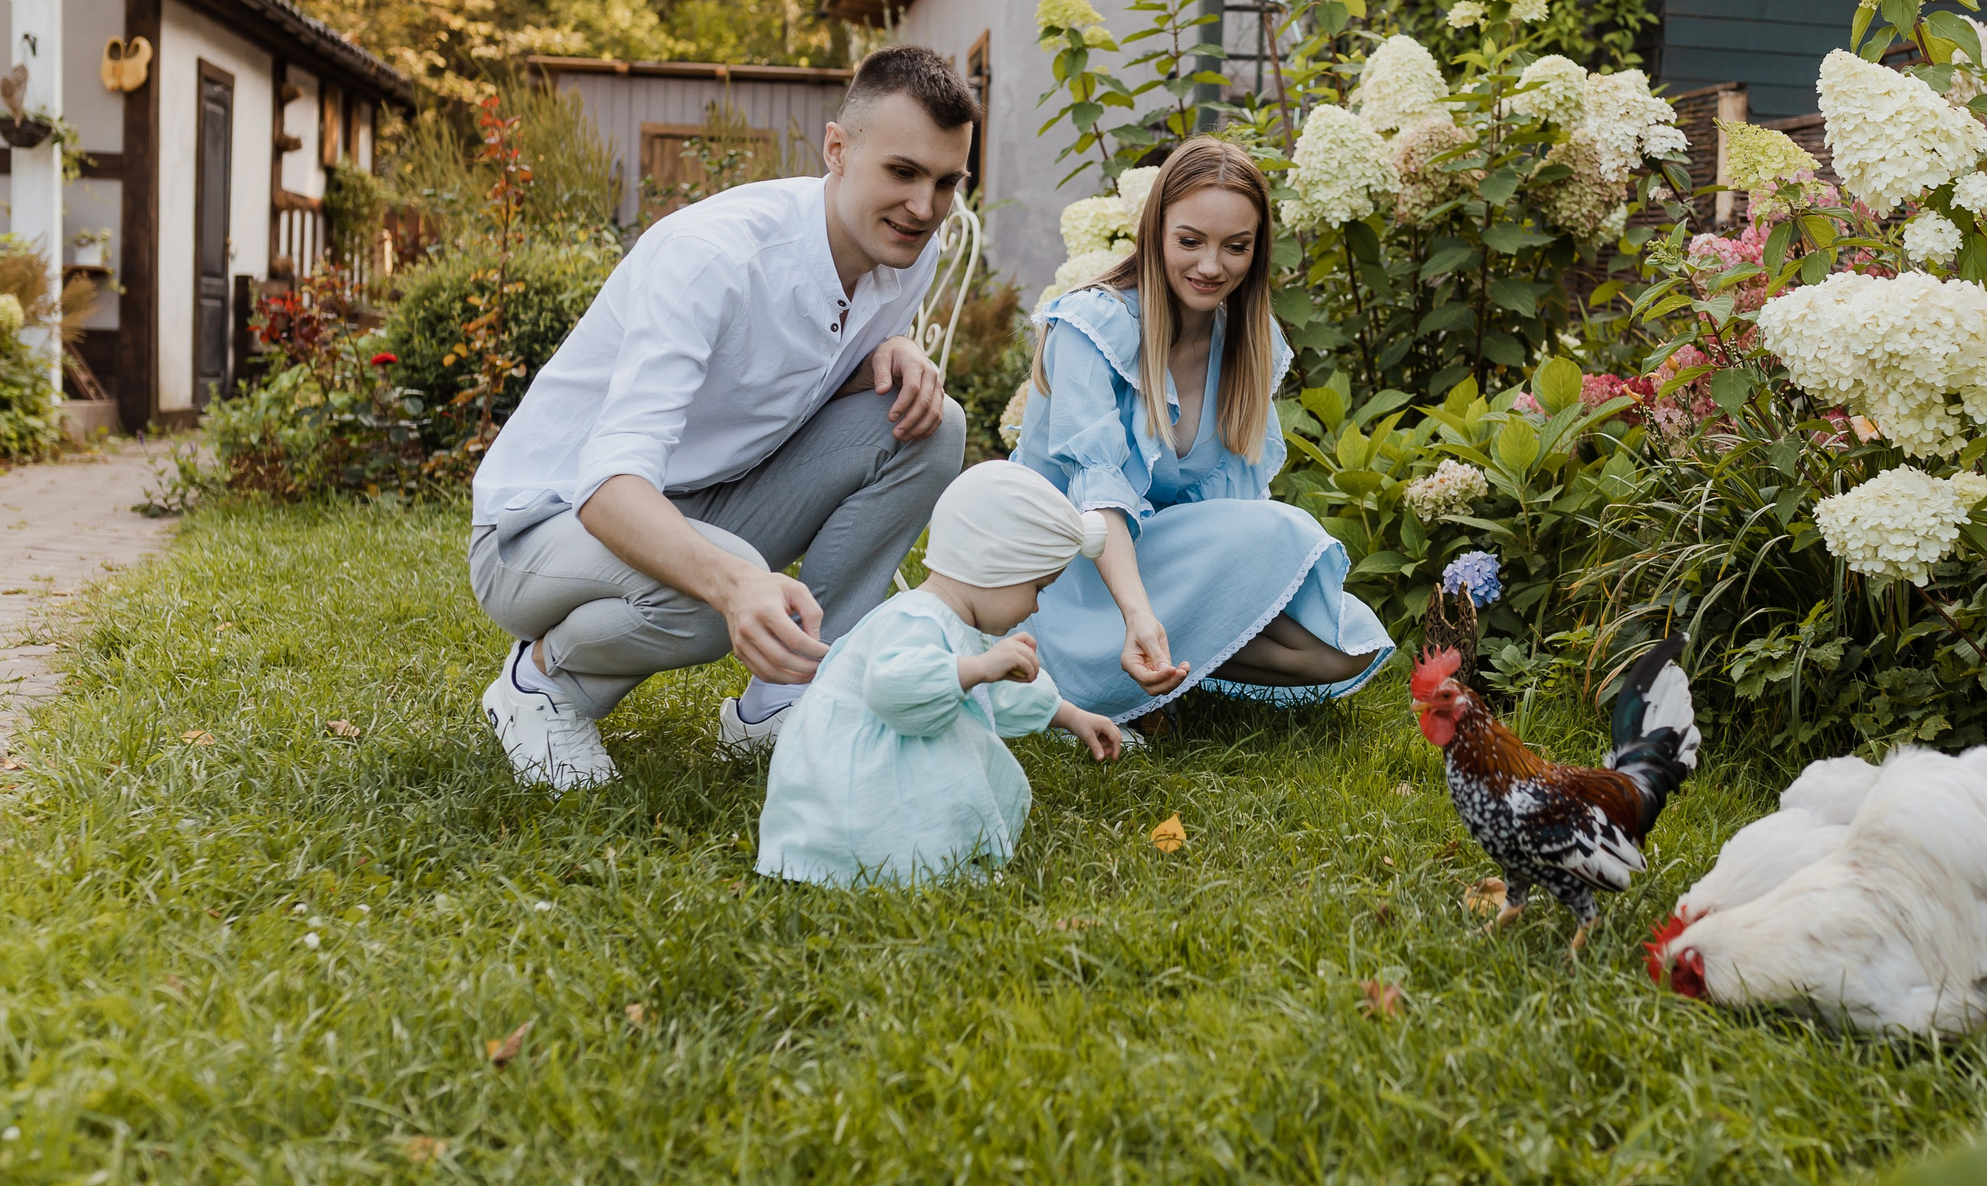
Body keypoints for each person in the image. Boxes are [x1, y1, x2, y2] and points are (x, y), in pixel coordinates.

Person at [468, 46, 977, 790]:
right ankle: (541, 685)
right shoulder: (713, 256)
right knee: (716, 599)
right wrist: (737, 583)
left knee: (931, 425)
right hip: (541, 528)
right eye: (902, 172)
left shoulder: (902, 251)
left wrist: (891, 347)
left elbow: (799, 378)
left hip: (708, 494)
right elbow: (608, 486)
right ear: (836, 149)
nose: (924, 207)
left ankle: (786, 701)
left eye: (945, 182)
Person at [1008, 136, 1394, 723]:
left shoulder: (1245, 342)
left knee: (1340, 652)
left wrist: (1241, 597)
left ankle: (1162, 670)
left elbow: (1225, 510)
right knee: (1282, 529)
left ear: (1257, 250)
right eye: (1190, 241)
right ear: (1155, 232)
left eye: (1235, 247)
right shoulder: (1093, 326)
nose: (1211, 266)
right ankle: (1098, 663)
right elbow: (1097, 499)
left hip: (1155, 563)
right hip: (1054, 574)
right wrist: (1139, 612)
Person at [757, 461, 1125, 887]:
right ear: (995, 565)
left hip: (869, 773)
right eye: (1037, 588)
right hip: (852, 788)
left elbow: (996, 695)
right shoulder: (916, 619)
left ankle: (928, 854)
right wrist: (979, 668)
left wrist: (1071, 716)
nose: (1036, 607)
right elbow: (892, 688)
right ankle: (902, 862)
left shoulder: (952, 622)